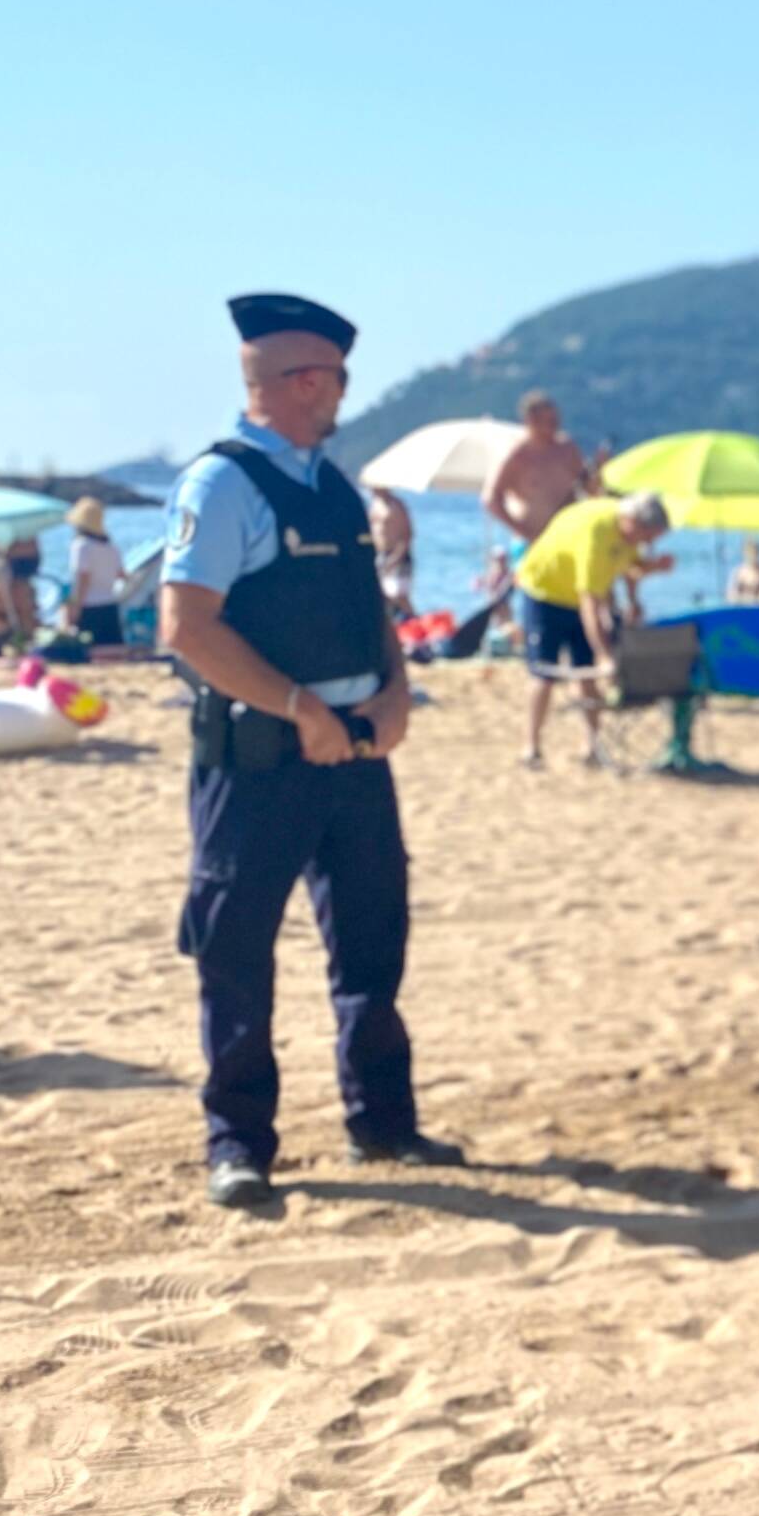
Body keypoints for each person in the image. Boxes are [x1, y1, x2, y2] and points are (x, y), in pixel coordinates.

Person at [158, 293, 462, 1211]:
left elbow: (369, 609)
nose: (342, 393)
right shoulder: (222, 486)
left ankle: (383, 1123)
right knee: (236, 955)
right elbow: (187, 627)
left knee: (373, 943)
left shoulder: (334, 488)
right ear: (297, 382)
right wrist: (296, 709)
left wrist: (395, 692)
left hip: (358, 754)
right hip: (257, 760)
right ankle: (238, 1146)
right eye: (334, 378)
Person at [512, 489, 665, 768]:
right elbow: (590, 604)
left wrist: (637, 594)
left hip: (577, 596)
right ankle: (531, 747)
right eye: (646, 537)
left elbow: (628, 564)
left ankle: (591, 746)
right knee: (544, 673)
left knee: (586, 673)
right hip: (544, 593)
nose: (647, 543)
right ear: (632, 522)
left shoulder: (627, 531)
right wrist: (605, 654)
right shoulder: (597, 534)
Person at [482, 388, 603, 562]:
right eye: (550, 421)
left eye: (557, 420)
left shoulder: (567, 449)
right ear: (531, 420)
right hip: (531, 542)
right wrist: (522, 531)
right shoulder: (516, 455)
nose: (556, 425)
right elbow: (491, 499)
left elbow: (587, 487)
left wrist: (598, 470)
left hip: (565, 539)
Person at [67, 497, 134, 652]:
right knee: (113, 651)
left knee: (89, 652)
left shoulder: (81, 546)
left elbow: (83, 579)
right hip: (110, 604)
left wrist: (74, 608)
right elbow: (121, 575)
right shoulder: (111, 548)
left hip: (89, 607)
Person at [368, 486, 418, 613]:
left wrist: (397, 557)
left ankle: (416, 620)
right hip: (380, 553)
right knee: (383, 596)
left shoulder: (396, 506)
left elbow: (407, 534)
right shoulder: (374, 504)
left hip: (397, 554)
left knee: (399, 597)